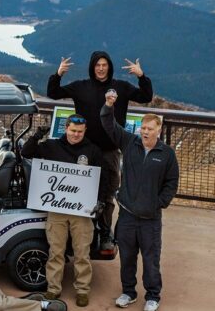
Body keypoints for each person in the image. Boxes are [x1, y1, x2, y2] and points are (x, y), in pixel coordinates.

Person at [46, 51, 153, 241]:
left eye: (104, 65)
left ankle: (104, 231)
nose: (101, 68)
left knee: (108, 194)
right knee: (80, 191)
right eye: (97, 65)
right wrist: (58, 74)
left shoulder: (121, 87)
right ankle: (80, 231)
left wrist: (141, 76)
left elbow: (146, 96)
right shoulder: (81, 87)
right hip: (84, 150)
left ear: (109, 67)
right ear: (92, 67)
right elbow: (53, 93)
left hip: (110, 151)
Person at [102, 91, 178, 311]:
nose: (145, 132)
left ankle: (153, 296)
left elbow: (171, 183)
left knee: (151, 260)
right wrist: (108, 106)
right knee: (126, 258)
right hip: (126, 216)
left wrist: (159, 203)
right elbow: (109, 125)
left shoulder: (167, 154)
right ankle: (128, 292)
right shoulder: (129, 143)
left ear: (158, 130)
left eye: (150, 129)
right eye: (143, 128)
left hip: (150, 219)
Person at [20, 114, 107, 308]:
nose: (76, 134)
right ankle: (53, 288)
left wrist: (100, 201)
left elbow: (103, 178)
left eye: (80, 131)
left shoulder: (93, 151)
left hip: (82, 211)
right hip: (57, 209)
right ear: (66, 128)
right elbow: (26, 153)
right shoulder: (51, 146)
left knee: (82, 253)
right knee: (56, 251)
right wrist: (36, 136)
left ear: (84, 131)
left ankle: (82, 290)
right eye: (73, 130)